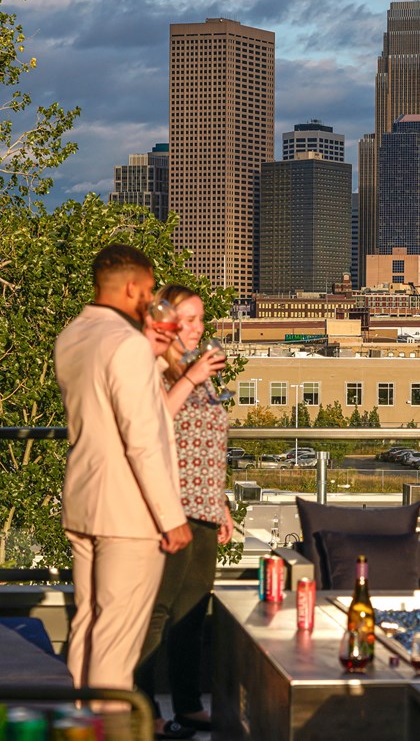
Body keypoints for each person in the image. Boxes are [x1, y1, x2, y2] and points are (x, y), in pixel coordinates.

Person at [54, 244, 192, 695]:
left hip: (83, 503)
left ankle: (79, 723)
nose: (151, 300)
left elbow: (105, 404)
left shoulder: (73, 335)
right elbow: (143, 441)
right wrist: (171, 517)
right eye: (150, 290)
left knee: (90, 625)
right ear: (132, 286)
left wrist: (152, 352)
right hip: (129, 516)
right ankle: (107, 728)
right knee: (116, 645)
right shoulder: (127, 345)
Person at [136, 285, 232, 740]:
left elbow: (208, 443)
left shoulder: (199, 370)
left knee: (193, 612)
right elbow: (153, 425)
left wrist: (224, 502)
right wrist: (191, 378)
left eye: (199, 320)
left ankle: (189, 705)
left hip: (205, 507)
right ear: (167, 322)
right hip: (169, 507)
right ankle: (143, 707)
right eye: (189, 320)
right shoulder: (155, 368)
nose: (196, 328)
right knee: (157, 612)